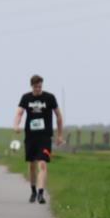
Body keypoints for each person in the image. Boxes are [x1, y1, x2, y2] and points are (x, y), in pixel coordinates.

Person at [13, 74, 63, 204]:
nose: (38, 89)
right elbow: (19, 113)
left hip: (45, 137)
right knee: (31, 165)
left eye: (40, 87)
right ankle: (33, 191)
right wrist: (16, 125)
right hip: (30, 136)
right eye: (36, 87)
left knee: (42, 164)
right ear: (32, 86)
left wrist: (59, 135)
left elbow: (58, 116)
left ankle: (41, 193)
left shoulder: (49, 98)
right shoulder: (26, 97)